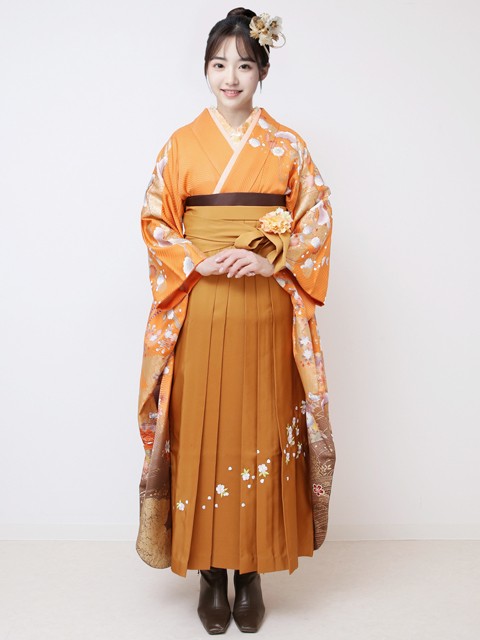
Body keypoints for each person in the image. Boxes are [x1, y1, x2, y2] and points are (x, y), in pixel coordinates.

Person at [135, 7, 336, 635]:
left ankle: (250, 572)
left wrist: (269, 255)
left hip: (263, 305)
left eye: (244, 65)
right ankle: (209, 571)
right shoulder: (180, 144)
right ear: (206, 70)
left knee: (259, 427)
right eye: (220, 64)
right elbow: (155, 220)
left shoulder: (287, 146)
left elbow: (316, 218)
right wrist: (195, 258)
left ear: (262, 72)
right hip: (201, 301)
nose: (231, 77)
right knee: (204, 429)